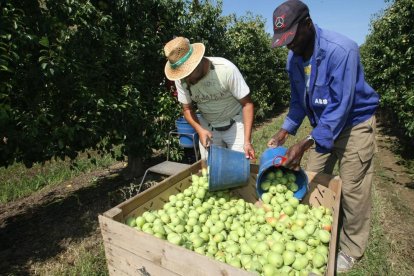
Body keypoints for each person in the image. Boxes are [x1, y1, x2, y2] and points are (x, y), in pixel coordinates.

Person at [268, 0, 379, 272]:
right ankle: (318, 228)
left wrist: (305, 143)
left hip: (353, 125)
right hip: (323, 126)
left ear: (308, 24)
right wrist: (285, 131)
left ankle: (352, 249)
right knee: (312, 178)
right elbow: (298, 103)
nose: (289, 45)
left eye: (292, 38)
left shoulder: (342, 51)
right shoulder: (293, 61)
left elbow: (340, 106)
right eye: (284, 41)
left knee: (353, 188)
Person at [163, 36, 256, 160]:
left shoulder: (225, 69)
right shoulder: (182, 79)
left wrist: (247, 141)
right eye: (183, 75)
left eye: (189, 73)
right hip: (208, 126)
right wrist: (200, 130)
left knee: (238, 168)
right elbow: (187, 109)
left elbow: (247, 104)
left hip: (235, 123)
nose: (187, 79)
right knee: (212, 170)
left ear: (198, 61)